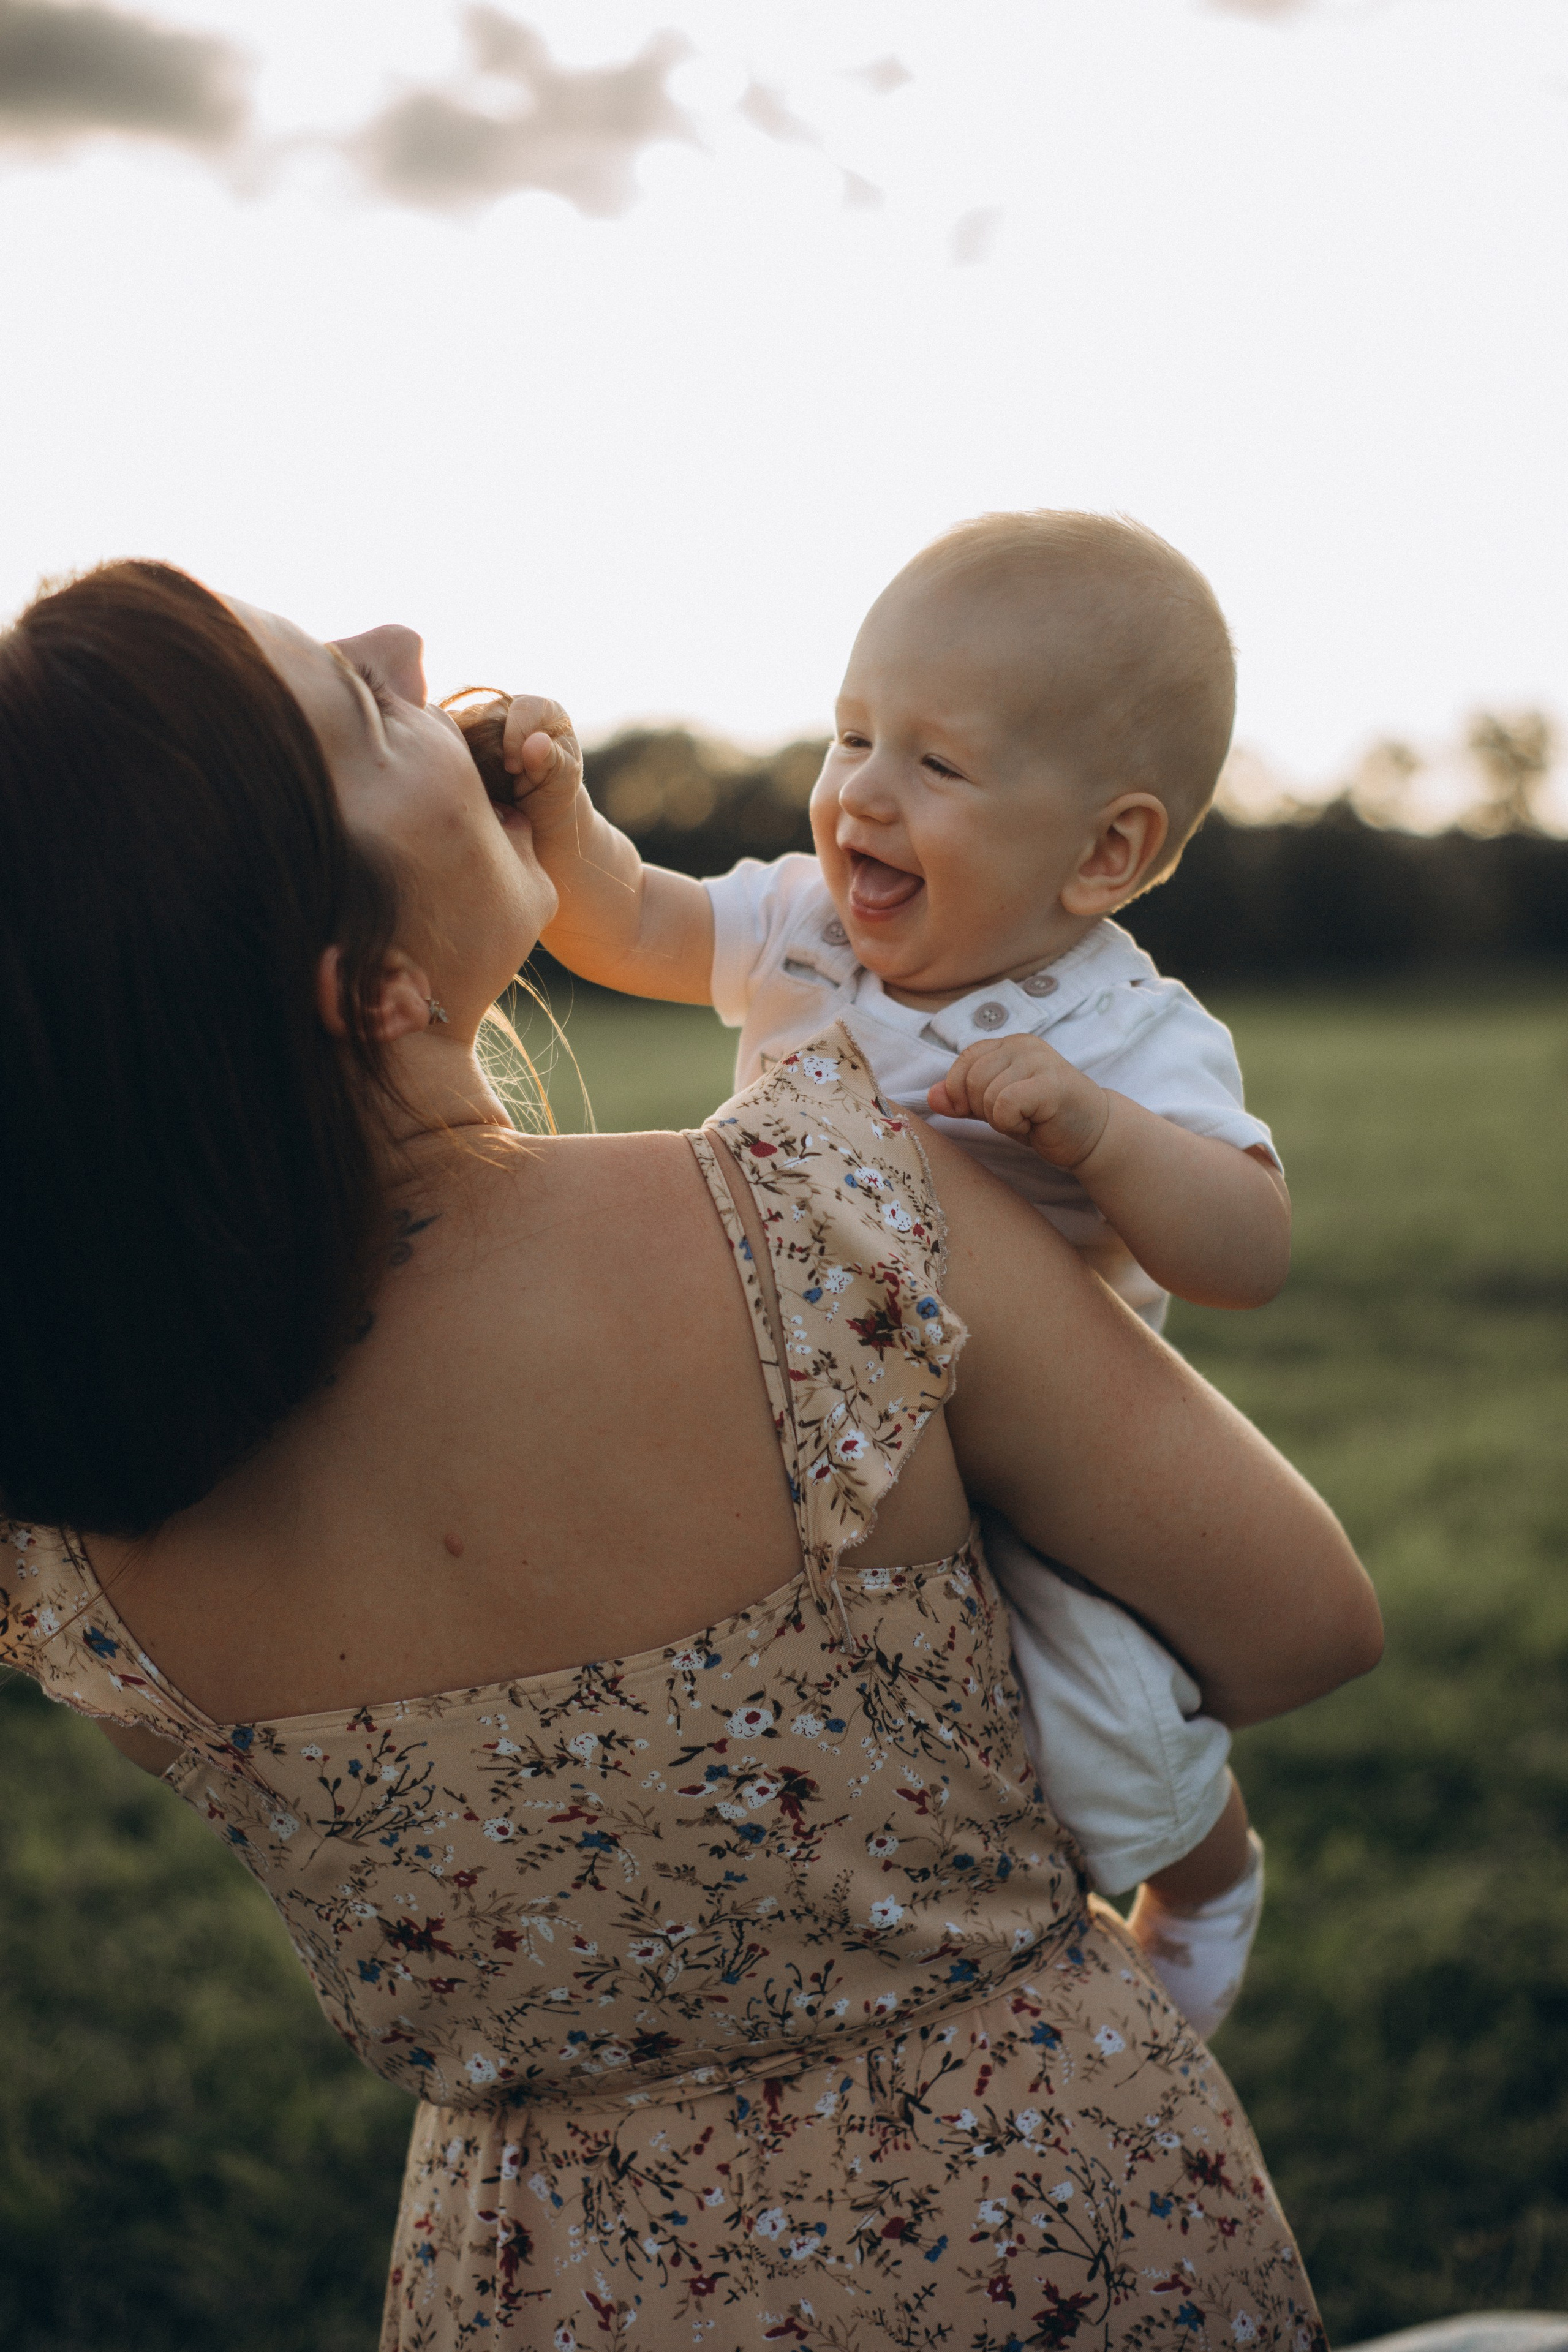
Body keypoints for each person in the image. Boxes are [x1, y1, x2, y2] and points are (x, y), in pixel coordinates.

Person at [0, 561, 1381, 2351]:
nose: (409, 648)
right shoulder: (834, 1220)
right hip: (1041, 2230)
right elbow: (1301, 1627)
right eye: (353, 707)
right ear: (369, 994)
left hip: (541, 2288)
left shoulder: (71, 1528)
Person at [462, 509, 1286, 2039]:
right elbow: (630, 920)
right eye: (852, 736)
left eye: (936, 765)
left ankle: (1205, 1867)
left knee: (1097, 1725)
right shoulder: (803, 926)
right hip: (791, 1408)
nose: (862, 795)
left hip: (1030, 1454)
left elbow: (1245, 1246)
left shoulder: (1121, 1029)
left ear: (1104, 850)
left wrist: (1101, 1135)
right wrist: (564, 824)